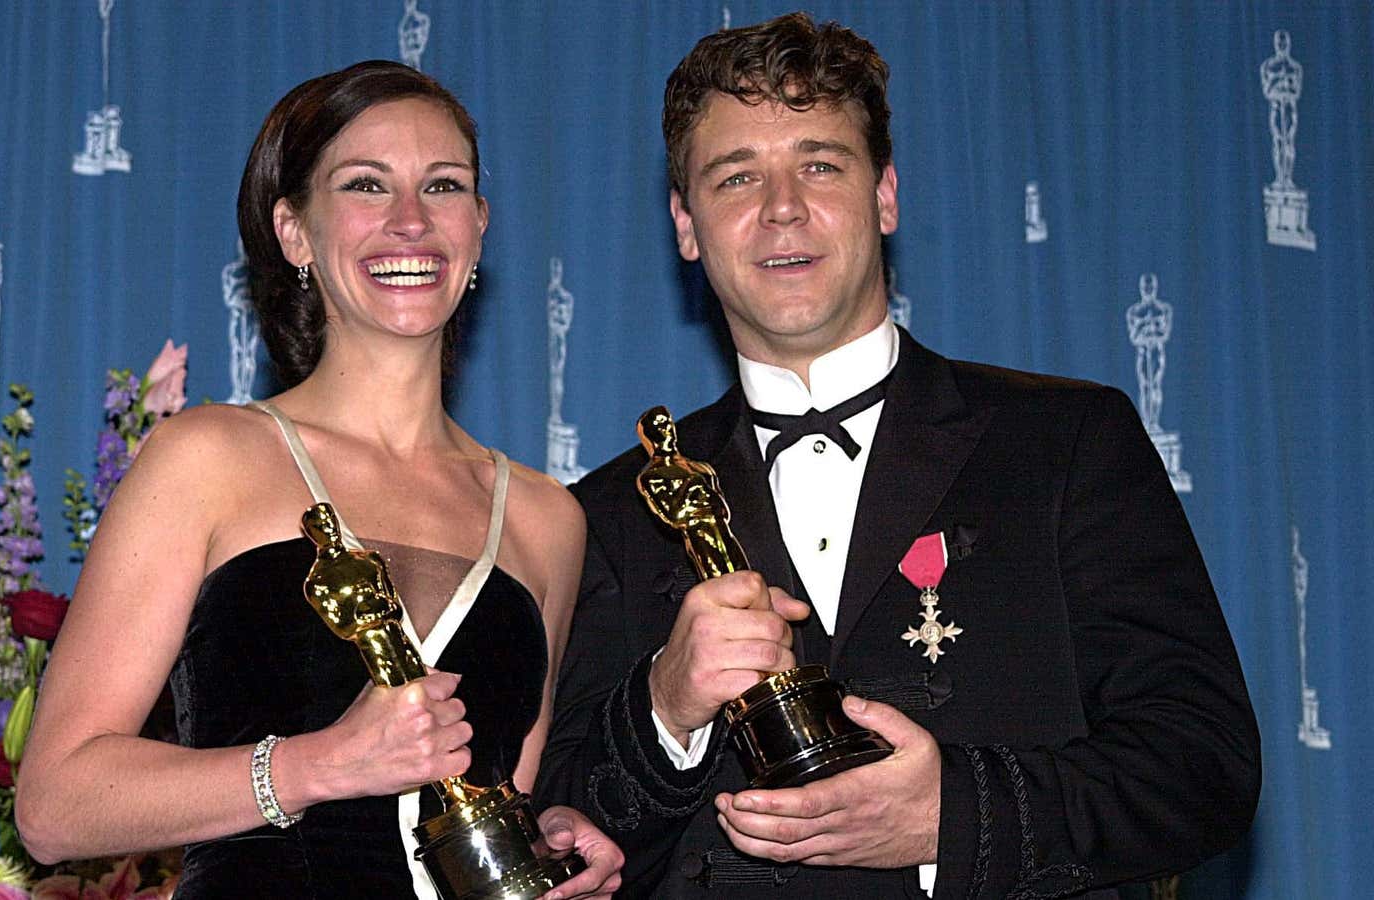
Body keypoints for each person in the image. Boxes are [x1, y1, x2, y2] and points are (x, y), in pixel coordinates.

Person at [535, 13, 1259, 899]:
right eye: (736, 178)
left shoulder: (1066, 442)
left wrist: (952, 818)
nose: (782, 209)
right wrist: (664, 711)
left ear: (885, 196)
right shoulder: (613, 508)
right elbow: (563, 842)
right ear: (687, 225)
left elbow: (1200, 765)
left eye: (820, 165)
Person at [17, 60, 622, 900]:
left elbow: (494, 796)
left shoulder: (545, 517)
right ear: (293, 231)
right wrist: (318, 766)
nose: (411, 221)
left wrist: (542, 838)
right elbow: (56, 805)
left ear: (479, 226)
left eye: (442, 186)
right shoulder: (206, 459)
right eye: (366, 186)